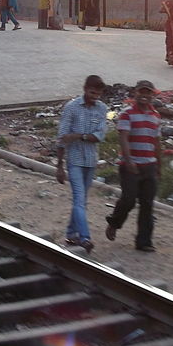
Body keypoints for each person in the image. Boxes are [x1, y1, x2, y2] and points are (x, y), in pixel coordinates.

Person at [105, 80, 162, 252]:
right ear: (135, 93)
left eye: (148, 93)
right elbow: (123, 137)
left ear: (153, 95)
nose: (144, 96)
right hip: (130, 166)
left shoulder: (155, 116)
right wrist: (128, 161)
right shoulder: (127, 114)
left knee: (147, 204)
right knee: (128, 199)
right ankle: (114, 222)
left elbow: (157, 142)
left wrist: (159, 165)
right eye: (141, 92)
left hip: (149, 165)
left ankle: (144, 242)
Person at [55, 75, 110, 253]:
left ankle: (71, 234)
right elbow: (62, 138)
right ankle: (85, 238)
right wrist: (59, 166)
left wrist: (78, 136)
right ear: (85, 88)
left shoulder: (102, 109)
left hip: (91, 161)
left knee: (82, 200)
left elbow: (99, 136)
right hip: (75, 160)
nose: (95, 96)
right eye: (92, 92)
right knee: (79, 199)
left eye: (98, 94)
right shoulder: (71, 108)